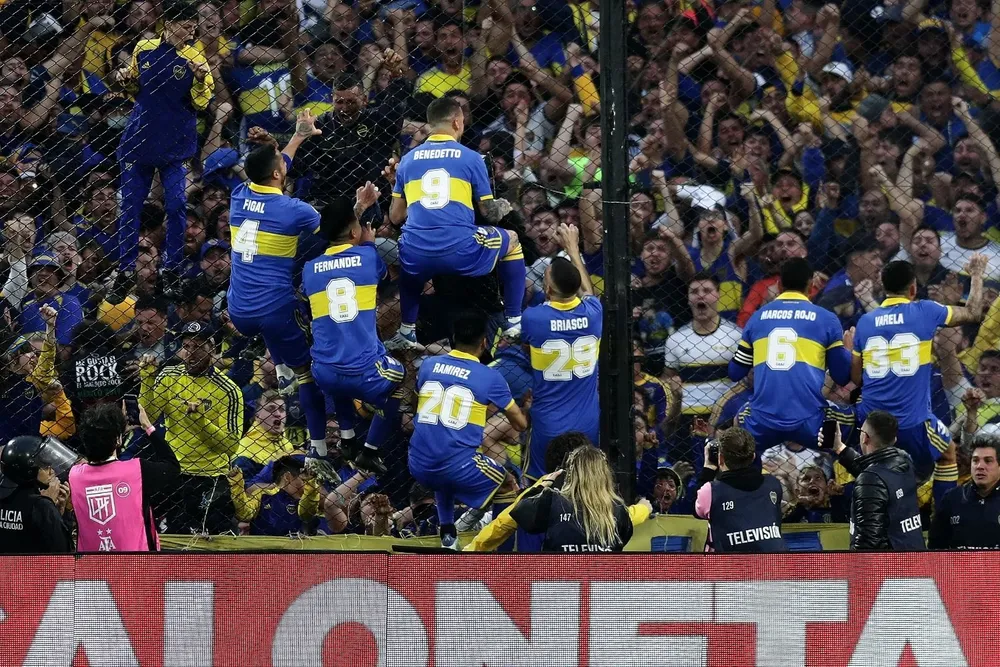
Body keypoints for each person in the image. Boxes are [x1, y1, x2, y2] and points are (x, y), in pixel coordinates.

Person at [225, 112, 330, 458]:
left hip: (238, 311)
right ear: (278, 174)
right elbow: (333, 232)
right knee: (309, 376)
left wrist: (298, 137)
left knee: (270, 285)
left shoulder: (239, 194)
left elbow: (276, 164)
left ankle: (280, 367)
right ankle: (318, 448)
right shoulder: (294, 208)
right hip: (273, 312)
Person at [384, 96, 525, 349]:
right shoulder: (471, 158)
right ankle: (514, 321)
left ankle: (407, 330)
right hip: (461, 249)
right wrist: (505, 204)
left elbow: (395, 217)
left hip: (419, 253)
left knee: (410, 257)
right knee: (513, 242)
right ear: (458, 123)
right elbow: (489, 213)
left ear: (428, 125)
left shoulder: (407, 160)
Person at [852, 257, 987, 495]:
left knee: (884, 475)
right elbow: (974, 313)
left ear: (883, 287)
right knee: (947, 453)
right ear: (913, 288)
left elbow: (855, 376)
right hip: (911, 421)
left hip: (871, 422)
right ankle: (943, 520)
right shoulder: (925, 310)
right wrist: (977, 273)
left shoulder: (865, 322)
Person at [110, 1, 215, 302]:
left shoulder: (195, 56)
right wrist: (124, 79)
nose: (191, 30)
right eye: (185, 25)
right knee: (130, 207)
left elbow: (203, 102)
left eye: (193, 26)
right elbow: (133, 86)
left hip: (174, 144)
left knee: (176, 206)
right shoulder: (143, 47)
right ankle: (125, 270)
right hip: (140, 139)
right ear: (168, 24)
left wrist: (197, 80)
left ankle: (172, 268)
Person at [408, 310, 529, 549]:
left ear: (453, 338)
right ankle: (501, 554)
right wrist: (527, 409)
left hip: (418, 463)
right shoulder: (489, 376)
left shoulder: (429, 366)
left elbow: (416, 403)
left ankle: (448, 535)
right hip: (457, 466)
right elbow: (520, 424)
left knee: (445, 463)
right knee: (507, 484)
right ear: (484, 343)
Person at [303, 190, 403, 476]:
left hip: (324, 372)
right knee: (399, 384)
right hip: (365, 372)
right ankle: (370, 451)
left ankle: (347, 437)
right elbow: (383, 278)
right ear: (355, 233)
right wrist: (369, 245)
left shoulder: (310, 269)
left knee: (339, 374)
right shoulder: (367, 257)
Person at [730, 257, 853, 451]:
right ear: (811, 284)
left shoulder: (757, 318)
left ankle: (744, 477)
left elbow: (735, 372)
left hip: (762, 422)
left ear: (778, 285)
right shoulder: (826, 319)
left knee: (741, 421)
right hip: (811, 422)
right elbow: (842, 376)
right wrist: (847, 351)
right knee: (856, 417)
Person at [139, 320, 242, 534]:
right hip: (173, 470)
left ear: (211, 349)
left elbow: (231, 446)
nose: (191, 353)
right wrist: (147, 380)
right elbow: (148, 416)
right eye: (187, 346)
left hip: (210, 476)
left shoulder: (228, 390)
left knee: (214, 540)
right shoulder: (168, 376)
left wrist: (202, 422)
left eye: (198, 347)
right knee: (170, 537)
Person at [521, 222, 602, 482]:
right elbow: (588, 292)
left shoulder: (534, 318)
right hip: (586, 423)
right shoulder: (594, 314)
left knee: (539, 485)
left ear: (548, 289)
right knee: (583, 484)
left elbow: (525, 346)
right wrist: (573, 250)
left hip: (548, 423)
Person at [467, 445, 651, 553]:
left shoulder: (551, 500)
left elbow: (518, 513)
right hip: (602, 588)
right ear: (605, 475)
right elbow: (626, 531)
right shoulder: (617, 509)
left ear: (569, 473)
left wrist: (541, 485)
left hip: (558, 583)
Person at [70, 402, 180, 552]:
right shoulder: (137, 470)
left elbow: (107, 465)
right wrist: (148, 427)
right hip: (136, 565)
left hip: (92, 567)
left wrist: (117, 435)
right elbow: (172, 467)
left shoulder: (74, 476)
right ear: (118, 440)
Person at [825, 410, 925, 551]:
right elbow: (875, 470)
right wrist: (840, 448)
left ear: (865, 438)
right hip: (914, 558)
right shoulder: (904, 461)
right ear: (894, 439)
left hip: (890, 568)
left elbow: (869, 542)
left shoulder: (871, 479)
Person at [694, 427, 788, 553]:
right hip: (773, 565)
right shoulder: (773, 484)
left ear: (720, 458)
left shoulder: (711, 491)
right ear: (753, 457)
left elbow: (696, 511)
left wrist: (709, 468)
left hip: (730, 568)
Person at [0, 436, 74, 553]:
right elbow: (64, 553)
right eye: (45, 466)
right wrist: (49, 509)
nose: (52, 471)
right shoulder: (42, 507)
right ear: (30, 470)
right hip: (33, 570)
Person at [929, 436, 1000, 549]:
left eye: (988, 461)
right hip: (960, 566)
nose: (980, 466)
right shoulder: (952, 498)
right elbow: (936, 548)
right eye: (975, 460)